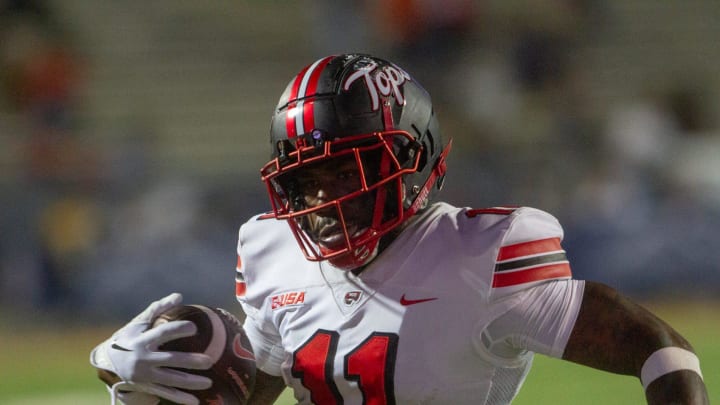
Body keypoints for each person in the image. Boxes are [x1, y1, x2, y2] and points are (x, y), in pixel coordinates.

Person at [90, 54, 708, 405]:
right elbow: (251, 390)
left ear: (411, 162)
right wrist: (127, 378)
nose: (325, 199)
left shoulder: (482, 254)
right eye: (307, 180)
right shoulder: (272, 248)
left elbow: (654, 345)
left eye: (344, 172)